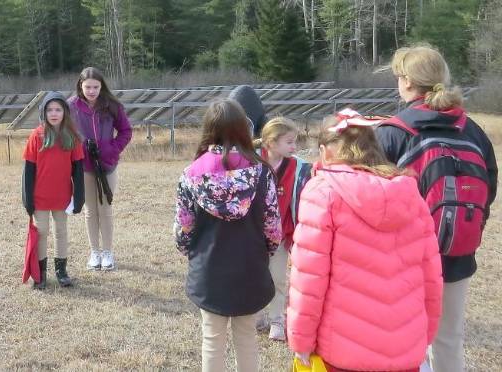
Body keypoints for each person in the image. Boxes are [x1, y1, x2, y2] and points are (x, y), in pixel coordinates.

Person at [288, 110, 443, 372]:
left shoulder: (323, 192)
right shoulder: (410, 194)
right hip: (405, 348)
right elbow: (431, 276)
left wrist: (301, 339)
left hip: (342, 350)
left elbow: (309, 278)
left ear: (326, 152)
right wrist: (424, 335)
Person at [375, 45, 497, 372]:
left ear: (406, 81)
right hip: (457, 254)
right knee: (448, 340)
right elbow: (489, 184)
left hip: (403, 257)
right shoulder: (471, 129)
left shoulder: (390, 133)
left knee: (399, 340)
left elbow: (373, 201)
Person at [174, 99, 281, 372]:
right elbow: (272, 227)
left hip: (208, 266)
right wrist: (266, 251)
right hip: (250, 264)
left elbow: (184, 227)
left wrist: (190, 251)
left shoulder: (191, 173)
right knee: (246, 337)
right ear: (243, 128)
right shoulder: (261, 172)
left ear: (209, 129)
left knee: (212, 338)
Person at [68, 67, 133, 271]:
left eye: (96, 87)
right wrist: (80, 146)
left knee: (105, 209)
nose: (92, 91)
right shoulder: (71, 106)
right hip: (84, 166)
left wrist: (110, 149)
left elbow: (126, 131)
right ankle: (94, 251)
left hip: (107, 166)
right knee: (90, 211)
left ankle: (107, 252)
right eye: (88, 87)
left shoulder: (112, 106)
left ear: (101, 86)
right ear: (81, 85)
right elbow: (65, 133)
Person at [253, 117, 312, 341]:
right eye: (289, 142)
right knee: (255, 276)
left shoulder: (299, 167)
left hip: (279, 234)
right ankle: (258, 315)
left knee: (277, 278)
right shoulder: (252, 161)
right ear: (270, 142)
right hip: (254, 235)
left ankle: (277, 320)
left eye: (294, 142)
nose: (294, 147)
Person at [22, 91, 85, 289]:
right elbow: (28, 171)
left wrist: (79, 196)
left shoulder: (72, 137)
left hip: (62, 197)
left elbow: (78, 170)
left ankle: (62, 271)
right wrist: (27, 199)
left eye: (58, 109)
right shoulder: (36, 135)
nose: (54, 113)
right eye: (49, 110)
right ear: (44, 112)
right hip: (40, 198)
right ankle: (40, 274)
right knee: (41, 232)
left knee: (61, 232)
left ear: (65, 112)